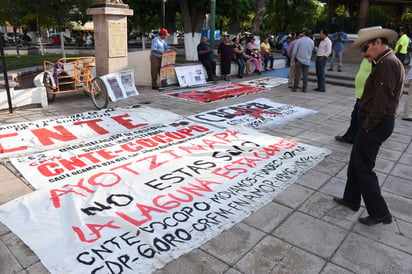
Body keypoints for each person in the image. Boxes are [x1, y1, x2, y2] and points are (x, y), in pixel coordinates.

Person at [333, 26, 404, 226]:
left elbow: (381, 102)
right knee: (356, 161)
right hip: (373, 121)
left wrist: (367, 124)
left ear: (378, 43)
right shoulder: (381, 61)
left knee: (364, 167)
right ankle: (351, 199)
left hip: (376, 123)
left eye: (366, 48)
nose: (364, 54)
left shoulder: (388, 64)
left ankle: (380, 212)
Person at [335, 58, 372, 144]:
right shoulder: (368, 57)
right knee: (355, 116)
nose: (363, 53)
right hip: (361, 93)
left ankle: (353, 137)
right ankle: (351, 136)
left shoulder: (379, 60)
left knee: (358, 116)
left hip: (366, 95)